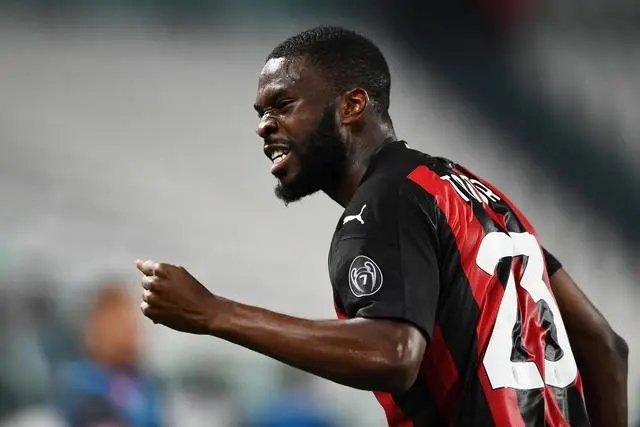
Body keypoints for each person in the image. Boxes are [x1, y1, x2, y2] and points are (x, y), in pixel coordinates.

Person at [135, 26, 628, 427]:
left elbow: (393, 354)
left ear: (352, 105)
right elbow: (604, 345)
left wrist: (213, 313)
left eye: (283, 106)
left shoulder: (385, 202)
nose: (264, 126)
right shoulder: (481, 197)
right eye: (262, 113)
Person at [56, 284, 164, 427]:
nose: (131, 332)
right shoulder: (80, 383)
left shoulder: (143, 380)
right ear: (94, 329)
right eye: (120, 323)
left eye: (132, 323)